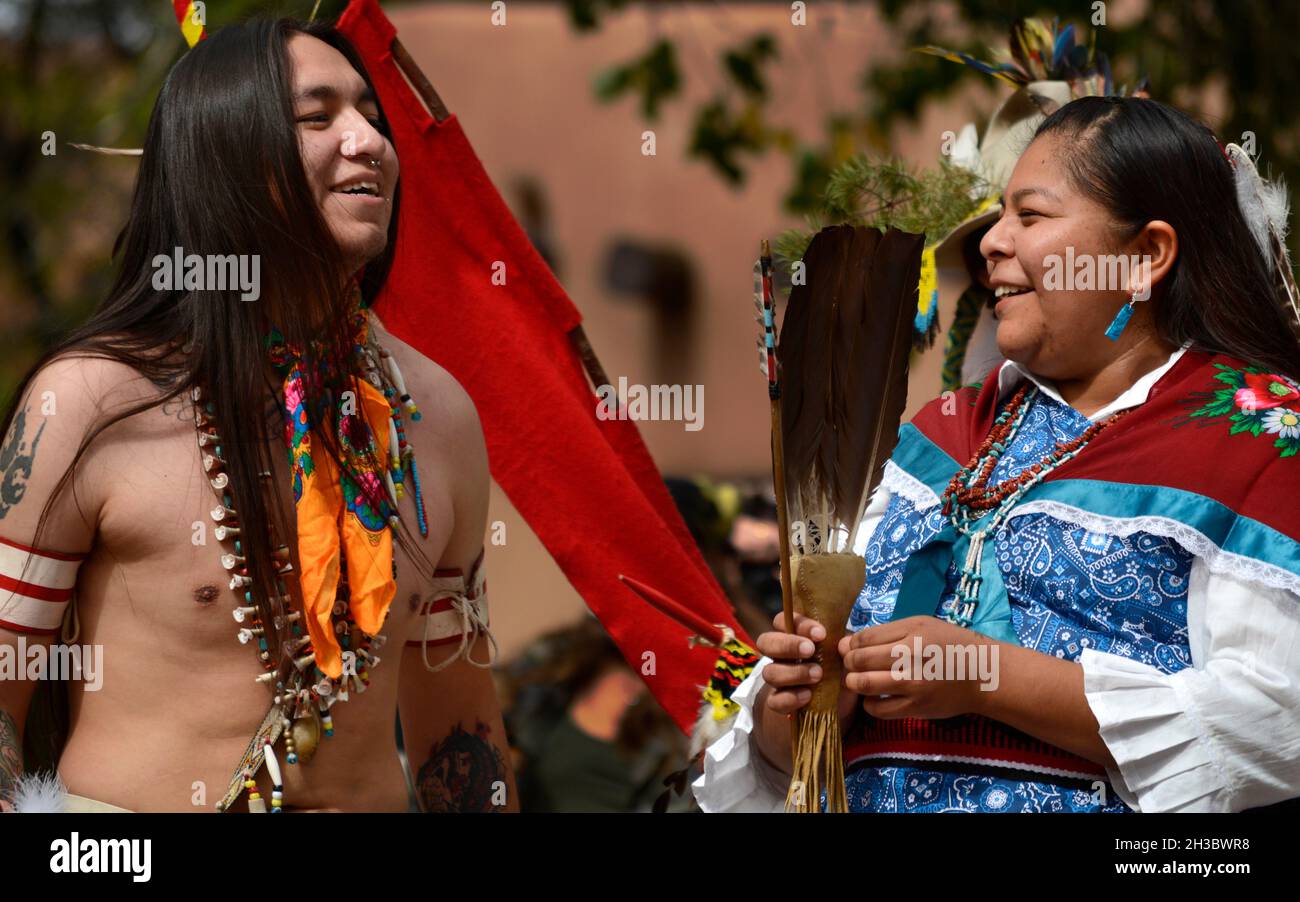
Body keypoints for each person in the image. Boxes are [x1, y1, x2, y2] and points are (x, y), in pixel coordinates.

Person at [694, 95, 1300, 813]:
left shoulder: (1258, 435)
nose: (992, 242)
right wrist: (803, 701)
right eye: (1000, 215)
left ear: (1145, 257)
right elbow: (791, 759)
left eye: (1031, 216)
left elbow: (1275, 723)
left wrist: (987, 676)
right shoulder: (942, 434)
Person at [0, 18, 516, 812]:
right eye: (318, 117)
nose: (370, 142)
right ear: (225, 155)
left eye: (371, 116)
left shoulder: (438, 417)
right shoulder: (90, 400)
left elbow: (462, 733)